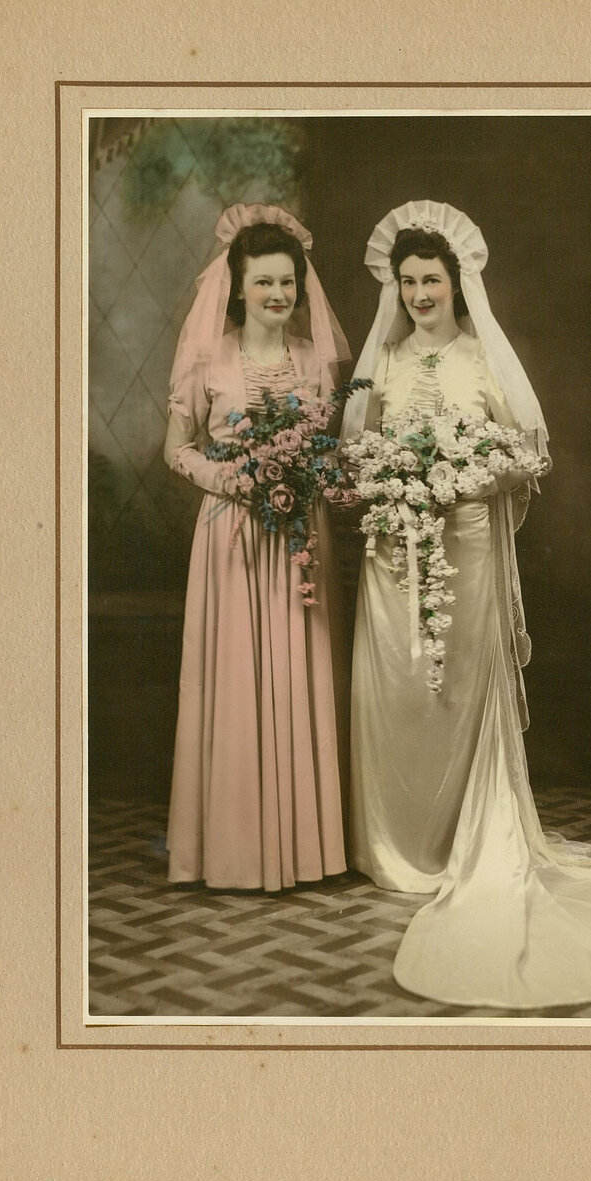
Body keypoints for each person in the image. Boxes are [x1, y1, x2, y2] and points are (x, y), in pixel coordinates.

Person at [341, 200, 591, 1008]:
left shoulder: (481, 356)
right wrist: (389, 477)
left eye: (433, 280)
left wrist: (472, 475)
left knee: (458, 687)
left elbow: (526, 447)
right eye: (408, 280)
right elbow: (354, 446)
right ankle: (394, 842)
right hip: (394, 549)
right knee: (392, 685)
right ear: (395, 285)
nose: (420, 294)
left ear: (458, 284)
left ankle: (467, 837)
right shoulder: (378, 362)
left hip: (469, 543)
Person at [164, 203, 350, 891]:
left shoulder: (314, 362)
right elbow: (175, 451)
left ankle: (305, 850)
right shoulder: (207, 359)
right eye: (262, 282)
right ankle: (235, 850)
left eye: (286, 283)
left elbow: (332, 451)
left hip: (300, 540)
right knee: (236, 679)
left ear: (300, 288)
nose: (276, 294)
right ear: (236, 287)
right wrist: (231, 478)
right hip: (231, 542)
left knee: (298, 673)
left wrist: (312, 473)